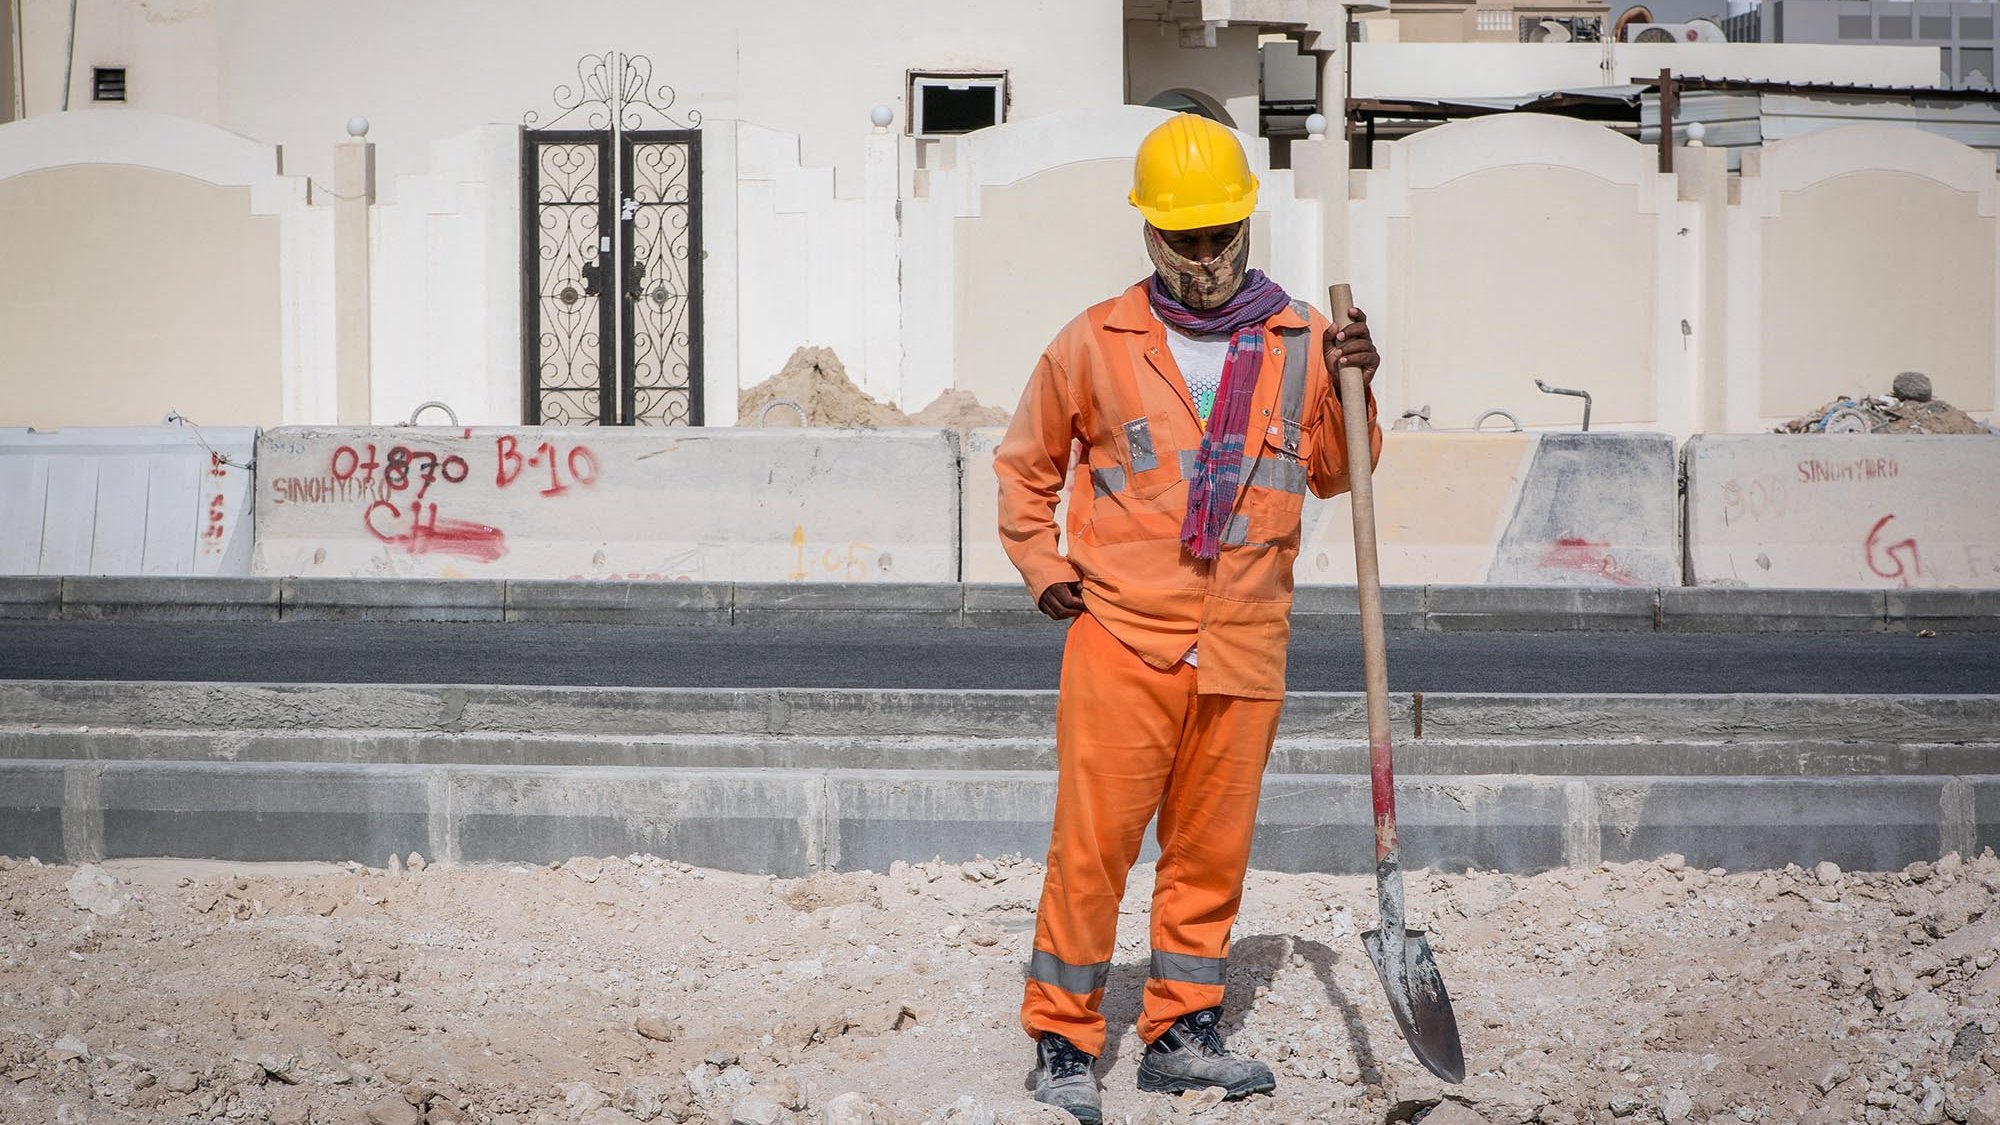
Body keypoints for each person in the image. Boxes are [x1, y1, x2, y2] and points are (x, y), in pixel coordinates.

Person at [994, 112, 1383, 1124]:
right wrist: (1043, 568)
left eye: (1218, 236)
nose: (1204, 258)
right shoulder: (1095, 339)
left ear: (1244, 225)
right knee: (1093, 847)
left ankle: (1179, 1030)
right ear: (1149, 235)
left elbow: (1340, 473)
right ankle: (1063, 1041)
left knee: (1209, 852)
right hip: (1122, 636)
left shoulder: (1300, 337)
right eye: (1184, 239)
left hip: (1244, 636)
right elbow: (1023, 466)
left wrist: (1359, 386)